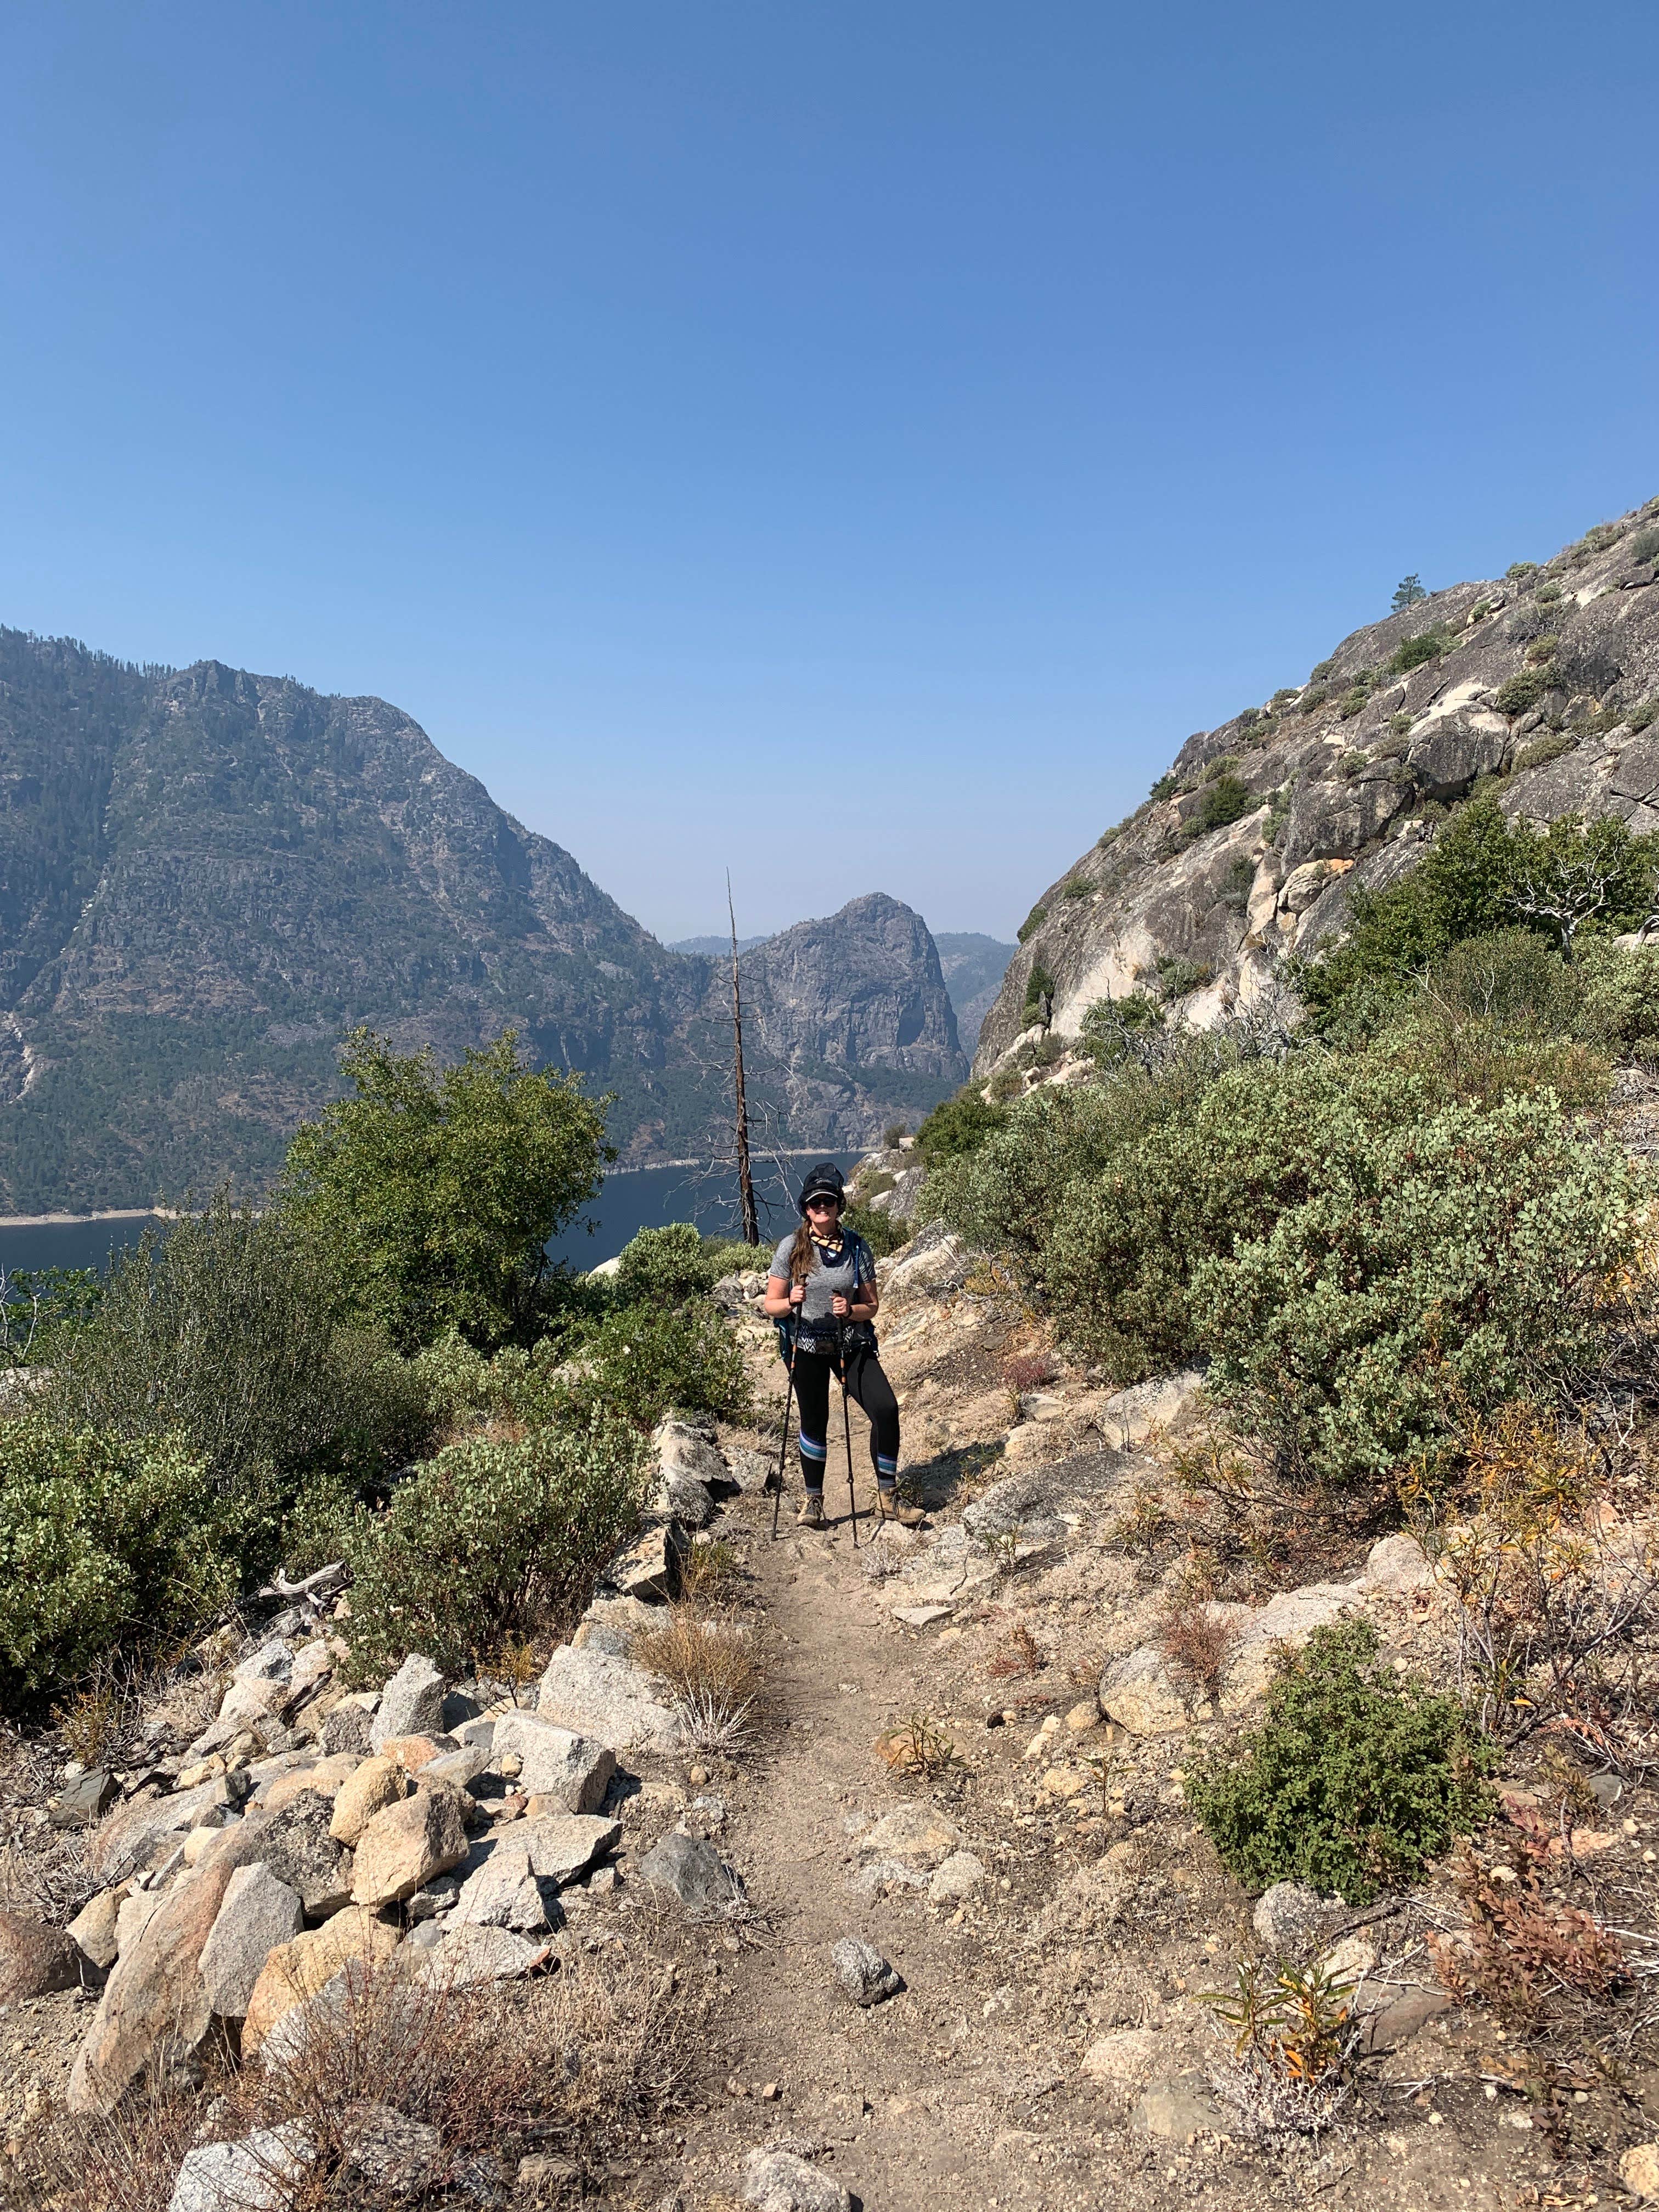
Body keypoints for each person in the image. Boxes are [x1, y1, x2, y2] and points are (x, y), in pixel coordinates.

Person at [763, 1161, 925, 1531]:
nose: (823, 1209)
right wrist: (791, 1301)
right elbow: (770, 1304)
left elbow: (872, 1305)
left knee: (885, 1409)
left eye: (829, 1203)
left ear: (838, 1206)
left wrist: (850, 1310)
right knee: (814, 1422)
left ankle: (887, 1496)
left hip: (851, 1343)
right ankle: (814, 1501)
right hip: (806, 1346)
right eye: (816, 1204)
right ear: (807, 1208)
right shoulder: (791, 1247)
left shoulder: (856, 1246)